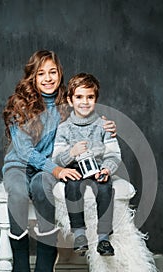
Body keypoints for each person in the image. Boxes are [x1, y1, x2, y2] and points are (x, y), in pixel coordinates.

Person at [2, 50, 117, 272]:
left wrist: (106, 126)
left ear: (59, 73)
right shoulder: (19, 104)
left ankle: (47, 248)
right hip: (19, 166)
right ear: (32, 76)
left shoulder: (66, 102)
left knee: (41, 186)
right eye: (41, 73)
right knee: (18, 191)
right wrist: (56, 170)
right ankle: (20, 255)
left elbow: (86, 115)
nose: (48, 78)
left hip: (50, 167)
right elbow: (24, 152)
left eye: (52, 72)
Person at [52, 73, 121, 256]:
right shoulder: (64, 128)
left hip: (98, 168)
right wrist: (71, 153)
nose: (85, 102)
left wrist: (107, 168)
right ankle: (79, 234)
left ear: (96, 99)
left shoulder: (104, 126)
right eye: (79, 97)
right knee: (73, 186)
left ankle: (104, 238)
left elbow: (114, 154)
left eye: (90, 97)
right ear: (70, 100)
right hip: (75, 169)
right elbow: (57, 159)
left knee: (105, 188)